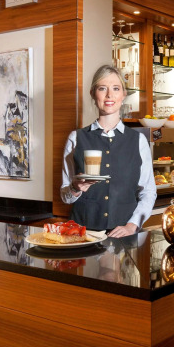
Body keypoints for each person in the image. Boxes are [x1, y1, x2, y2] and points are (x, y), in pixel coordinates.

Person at [61, 65, 156, 237]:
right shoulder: (75, 138)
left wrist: (132, 226)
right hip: (82, 236)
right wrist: (75, 187)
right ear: (93, 93)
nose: (109, 95)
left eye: (116, 88)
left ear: (123, 94)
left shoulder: (139, 141)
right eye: (102, 88)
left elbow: (148, 192)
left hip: (123, 239)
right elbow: (65, 196)